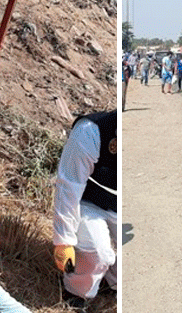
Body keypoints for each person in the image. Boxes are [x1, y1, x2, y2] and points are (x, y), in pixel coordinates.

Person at [53, 111, 117, 311]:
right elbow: (69, 187)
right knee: (98, 252)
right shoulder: (90, 131)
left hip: (118, 205)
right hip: (88, 202)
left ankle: (111, 283)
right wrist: (63, 241)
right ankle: (76, 291)